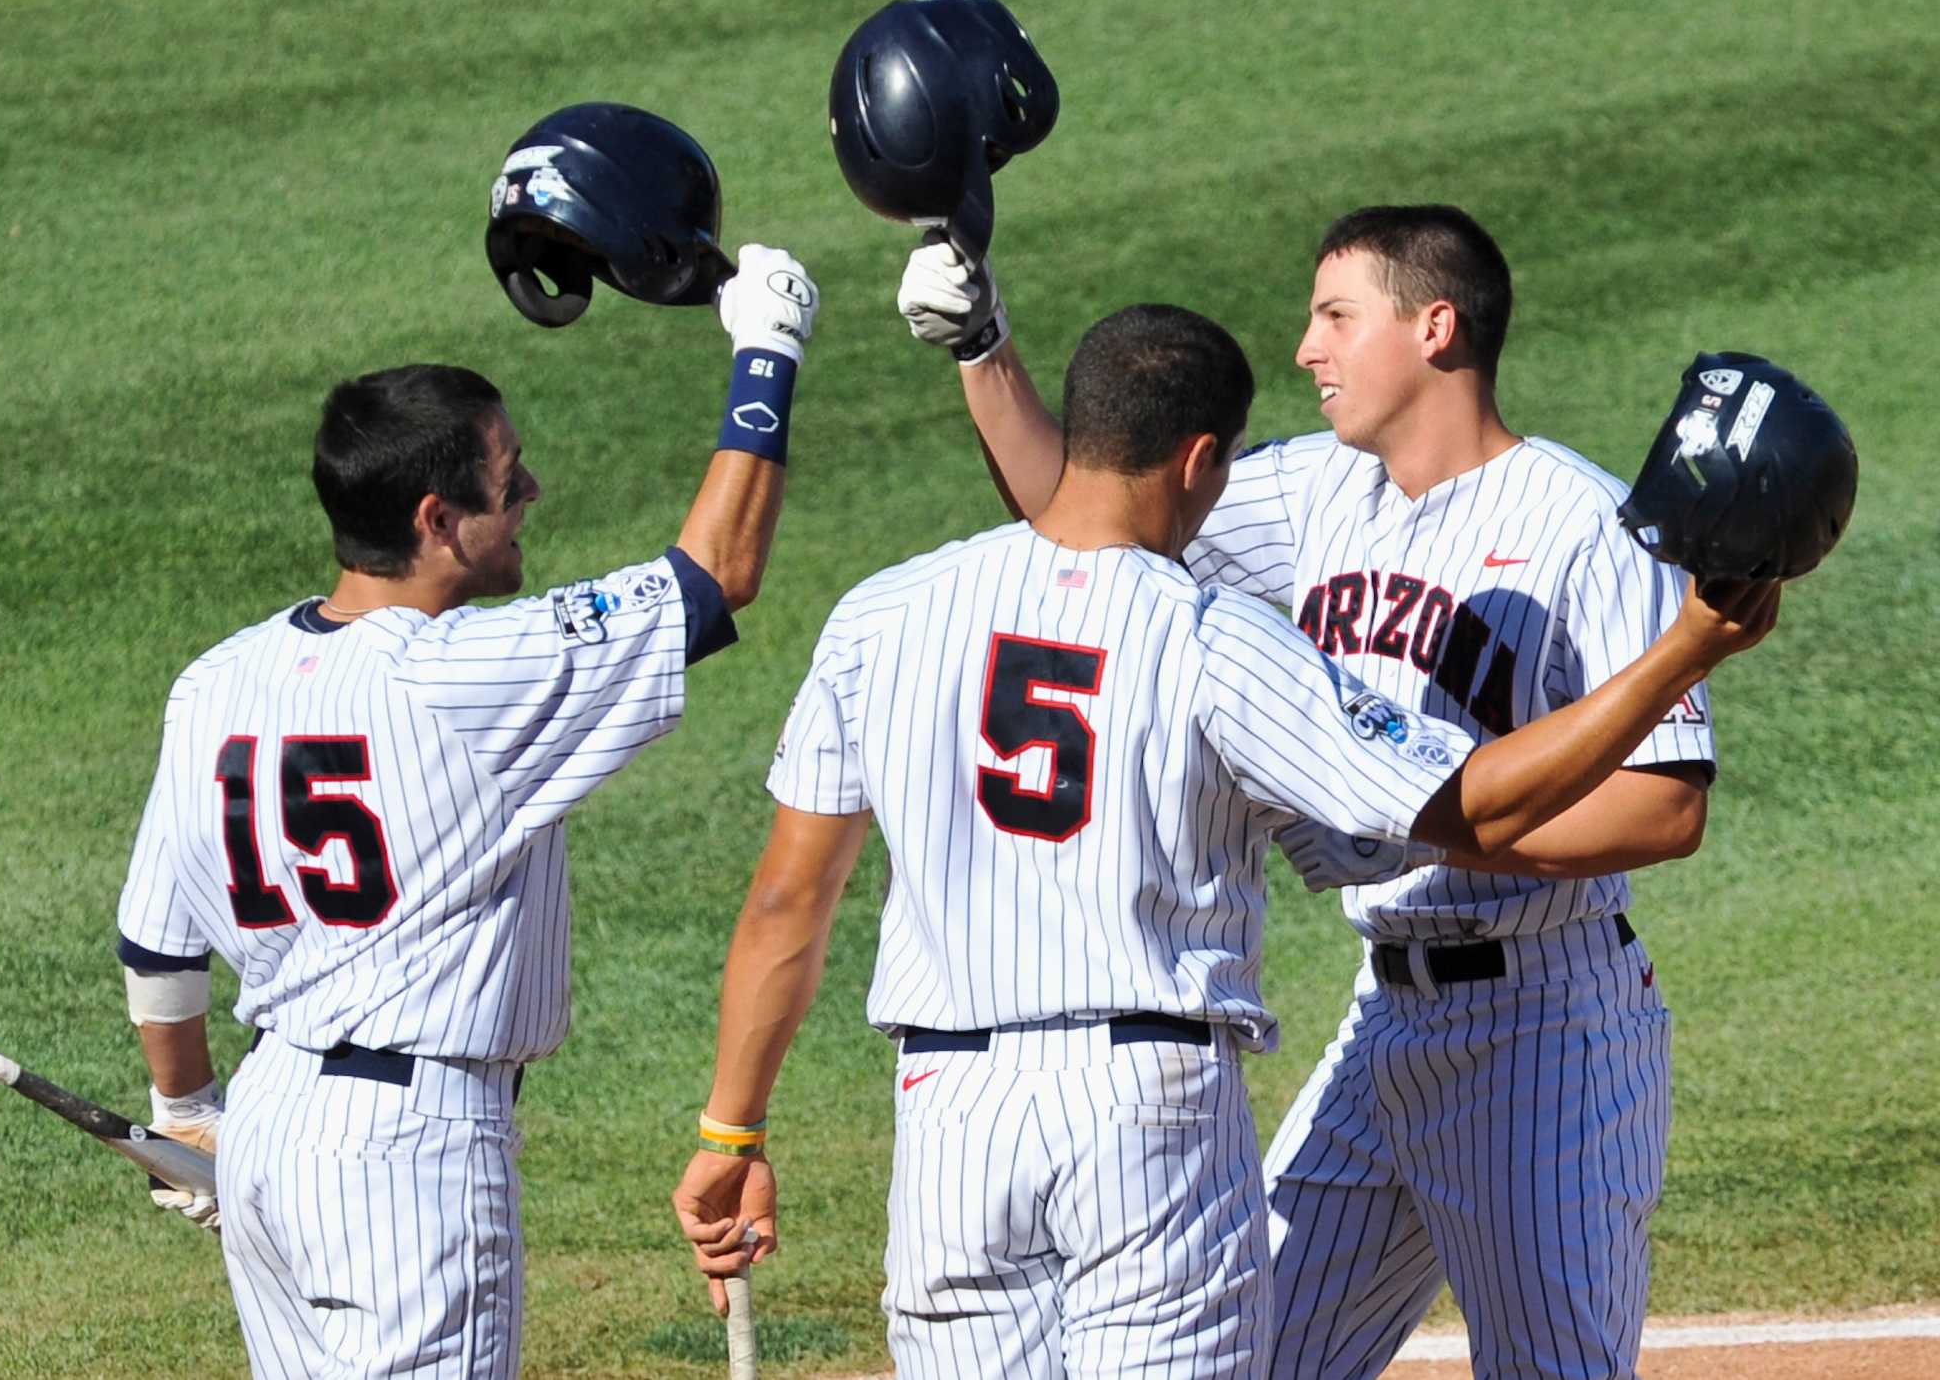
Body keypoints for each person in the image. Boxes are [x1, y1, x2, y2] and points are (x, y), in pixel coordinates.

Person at [669, 303, 1777, 1379]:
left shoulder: (880, 615)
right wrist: (1686, 647)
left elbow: (783, 906)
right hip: (1144, 1109)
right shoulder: (1214, 638)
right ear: (1201, 460)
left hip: (949, 1115)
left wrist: (731, 1138)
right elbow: (1467, 805)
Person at [897, 205, 1722, 1377]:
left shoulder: (1585, 526)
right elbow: (1089, 508)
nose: (1304, 349)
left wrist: (1425, 836)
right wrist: (984, 349)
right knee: (1245, 1354)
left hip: (1543, 1024)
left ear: (1433, 326)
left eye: (1335, 315)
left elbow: (1665, 805)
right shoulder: (1314, 492)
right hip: (1380, 1021)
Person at [112, 243, 817, 1378]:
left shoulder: (216, 680)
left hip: (269, 1127)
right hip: (407, 1154)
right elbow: (714, 574)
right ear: (437, 519)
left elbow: (156, 940)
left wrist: (184, 1105)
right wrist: (767, 353)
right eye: (509, 475)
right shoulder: (467, 673)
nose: (531, 490)